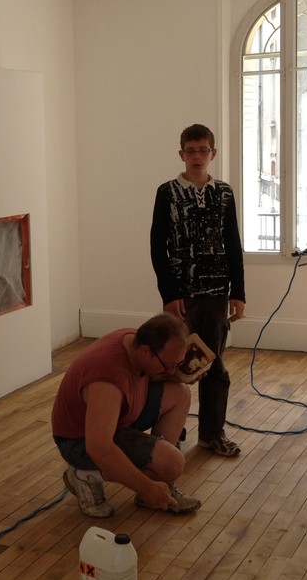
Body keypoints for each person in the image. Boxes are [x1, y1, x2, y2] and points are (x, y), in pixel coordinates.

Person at [150, 123, 246, 457]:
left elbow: (233, 244)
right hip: (182, 295)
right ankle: (170, 433)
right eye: (190, 151)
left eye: (203, 150)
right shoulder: (167, 193)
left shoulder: (224, 193)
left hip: (217, 293)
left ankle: (212, 433)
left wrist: (238, 293)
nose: (197, 157)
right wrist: (169, 294)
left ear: (213, 153)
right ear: (181, 154)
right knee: (173, 364)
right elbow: (157, 247)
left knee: (213, 364)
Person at [51, 313, 202, 518]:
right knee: (173, 464)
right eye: (169, 366)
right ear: (146, 352)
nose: (171, 371)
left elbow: (144, 378)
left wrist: (180, 375)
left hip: (117, 418)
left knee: (179, 392)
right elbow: (98, 446)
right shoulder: (107, 378)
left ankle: (160, 478)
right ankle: (83, 475)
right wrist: (147, 488)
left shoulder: (135, 341)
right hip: (79, 441)